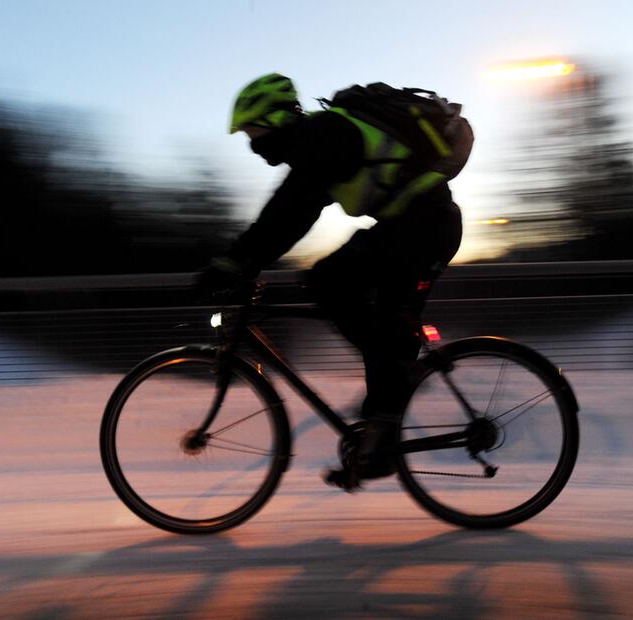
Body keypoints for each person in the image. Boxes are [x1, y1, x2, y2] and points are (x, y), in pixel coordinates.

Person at [197, 73, 463, 490]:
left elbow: (288, 213)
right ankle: (385, 404)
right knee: (343, 291)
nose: (252, 142)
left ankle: (389, 397)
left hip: (423, 227)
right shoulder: (319, 140)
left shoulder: (324, 136)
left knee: (330, 282)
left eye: (254, 130)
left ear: (277, 119)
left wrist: (234, 263)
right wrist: (242, 260)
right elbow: (288, 215)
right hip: (412, 225)